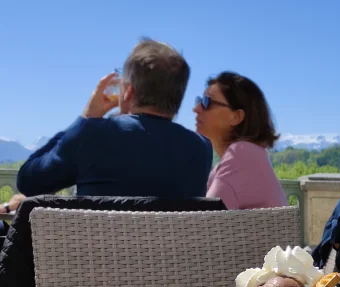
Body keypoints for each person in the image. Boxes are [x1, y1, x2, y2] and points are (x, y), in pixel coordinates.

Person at [16, 38, 212, 198]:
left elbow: (29, 181)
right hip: (172, 247)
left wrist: (87, 117)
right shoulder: (201, 148)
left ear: (128, 91)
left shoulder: (93, 133)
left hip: (96, 247)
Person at [193, 71, 287, 209]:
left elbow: (205, 222)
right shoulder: (251, 153)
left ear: (236, 117)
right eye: (199, 101)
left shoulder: (242, 153)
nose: (196, 109)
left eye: (207, 102)